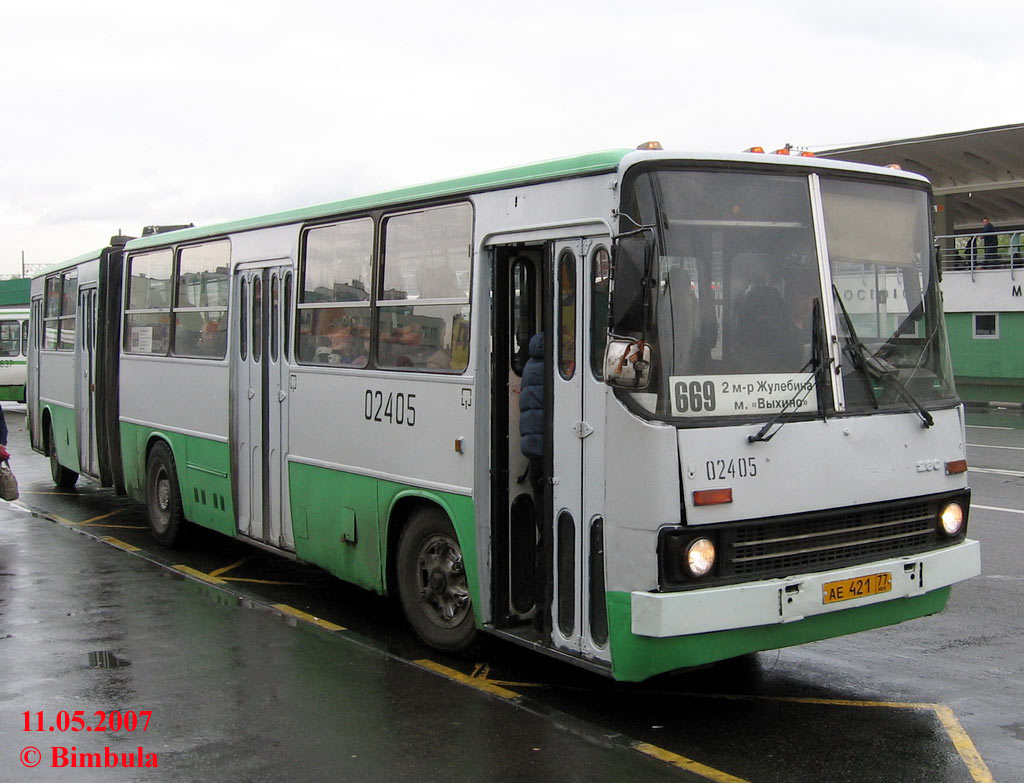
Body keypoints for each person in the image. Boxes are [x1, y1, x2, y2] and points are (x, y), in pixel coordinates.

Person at [519, 332, 545, 499]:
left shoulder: (529, 365)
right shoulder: (549, 367)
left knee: (538, 491)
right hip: (543, 444)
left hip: (532, 443)